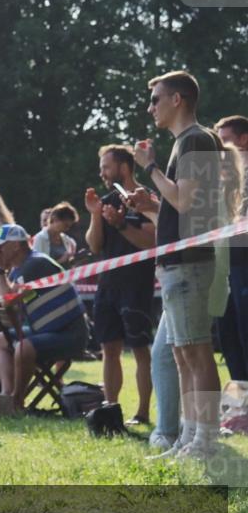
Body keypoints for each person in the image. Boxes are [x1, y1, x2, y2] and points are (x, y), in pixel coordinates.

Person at [135, 70, 224, 459]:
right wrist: (150, 205)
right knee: (182, 354)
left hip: (190, 264)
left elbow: (185, 202)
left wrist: (150, 168)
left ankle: (206, 440)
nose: (150, 107)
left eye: (156, 99)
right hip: (176, 263)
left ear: (178, 99)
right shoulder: (185, 142)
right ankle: (189, 438)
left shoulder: (196, 139)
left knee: (196, 351)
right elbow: (181, 207)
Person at [84, 144, 156, 425]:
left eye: (106, 167)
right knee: (109, 350)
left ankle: (143, 413)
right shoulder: (105, 201)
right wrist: (95, 214)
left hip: (136, 286)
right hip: (108, 286)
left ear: (123, 167)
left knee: (139, 349)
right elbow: (95, 246)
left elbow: (151, 242)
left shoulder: (145, 198)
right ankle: (110, 411)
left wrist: (122, 224)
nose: (102, 173)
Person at [0, 224, 88, 413]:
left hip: (70, 333)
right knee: (0, 340)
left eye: (0, 247)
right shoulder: (19, 269)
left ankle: (16, 401)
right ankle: (6, 396)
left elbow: (7, 301)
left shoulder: (35, 263)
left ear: (15, 246)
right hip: (47, 330)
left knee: (24, 347)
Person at [214, 115, 248, 382]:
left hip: (244, 264)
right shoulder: (222, 179)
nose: (220, 149)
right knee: (227, 334)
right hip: (222, 265)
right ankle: (240, 396)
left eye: (225, 141)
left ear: (243, 139)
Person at [33, 202, 79, 266]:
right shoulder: (40, 238)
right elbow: (37, 266)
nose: (67, 229)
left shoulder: (67, 240)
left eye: (69, 227)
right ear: (55, 219)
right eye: (65, 225)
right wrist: (61, 260)